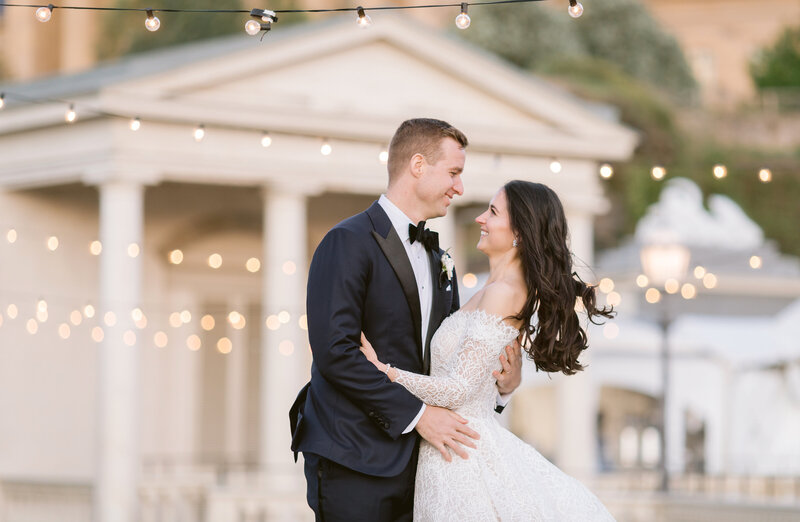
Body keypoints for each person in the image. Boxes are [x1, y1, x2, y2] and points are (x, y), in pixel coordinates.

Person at [289, 118, 523, 521]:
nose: (460, 187)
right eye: (453, 172)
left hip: (424, 465)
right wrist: (419, 416)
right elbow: (335, 352)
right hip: (353, 457)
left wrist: (503, 389)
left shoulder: (438, 259)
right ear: (417, 164)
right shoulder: (346, 241)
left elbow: (448, 364)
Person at [359, 180, 618, 521]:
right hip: (450, 448)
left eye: (493, 212)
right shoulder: (490, 289)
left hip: (462, 456)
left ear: (519, 234)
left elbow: (459, 389)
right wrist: (505, 387)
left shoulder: (503, 293)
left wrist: (385, 372)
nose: (481, 218)